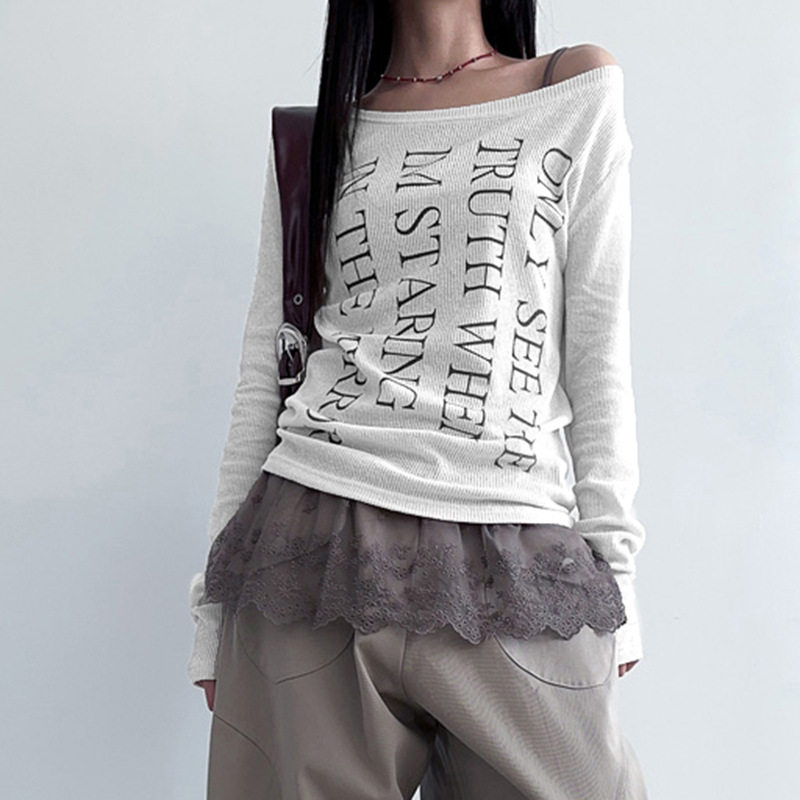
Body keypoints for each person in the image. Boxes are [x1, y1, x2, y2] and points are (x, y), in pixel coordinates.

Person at [186, 2, 650, 798]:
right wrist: (209, 615)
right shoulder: (322, 132)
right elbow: (267, 366)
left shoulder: (570, 87)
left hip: (514, 557)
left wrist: (618, 577)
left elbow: (599, 351)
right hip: (310, 548)